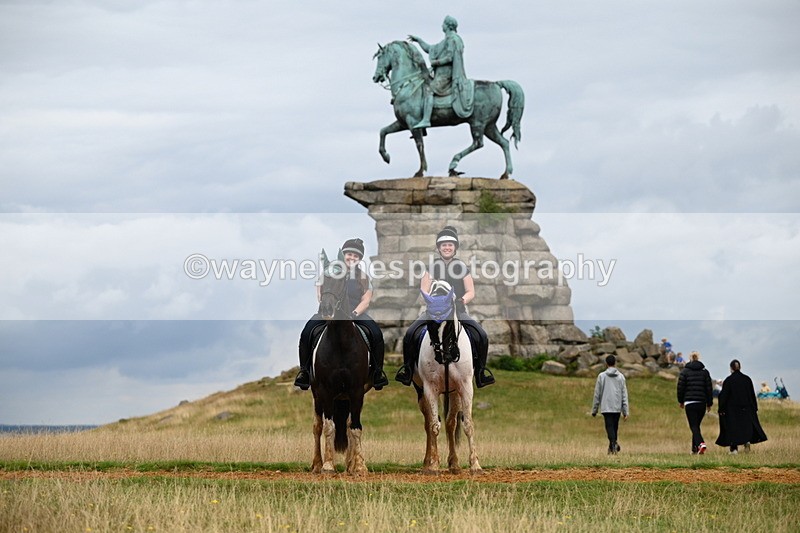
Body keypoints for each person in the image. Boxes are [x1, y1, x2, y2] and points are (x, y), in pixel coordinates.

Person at [395, 226, 495, 388]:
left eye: (450, 244)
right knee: (410, 333)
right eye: (443, 245)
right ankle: (407, 369)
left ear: (455, 248)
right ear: (439, 248)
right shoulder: (431, 267)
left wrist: (460, 301)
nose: (447, 247)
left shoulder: (461, 267)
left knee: (481, 335)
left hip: (457, 311)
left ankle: (481, 372)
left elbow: (471, 291)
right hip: (434, 311)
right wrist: (433, 302)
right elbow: (424, 291)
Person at [294, 238, 389, 391]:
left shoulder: (363, 277)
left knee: (376, 334)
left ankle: (377, 372)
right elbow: (320, 292)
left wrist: (354, 313)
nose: (352, 258)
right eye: (349, 254)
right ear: (343, 255)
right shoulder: (329, 272)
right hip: (328, 313)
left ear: (359, 259)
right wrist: (328, 309)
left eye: (356, 256)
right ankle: (304, 372)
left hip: (355, 314)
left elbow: (366, 300)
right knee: (306, 333)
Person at [408, 15, 475, 129]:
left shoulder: (453, 39)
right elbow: (430, 49)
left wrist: (436, 62)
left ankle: (426, 120)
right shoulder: (446, 40)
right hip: (441, 74)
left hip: (446, 75)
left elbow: (449, 57)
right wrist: (419, 40)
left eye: (443, 24)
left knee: (428, 90)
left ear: (448, 26)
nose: (441, 26)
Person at [715, 359, 767, 454]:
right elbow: (752, 395)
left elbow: (723, 396)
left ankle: (734, 449)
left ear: (731, 368)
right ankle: (746, 442)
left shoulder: (729, 380)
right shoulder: (747, 379)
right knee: (745, 427)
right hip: (746, 408)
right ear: (740, 367)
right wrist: (755, 408)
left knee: (733, 429)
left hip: (732, 410)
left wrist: (721, 408)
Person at [591, 355, 629, 454]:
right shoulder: (621, 377)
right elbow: (624, 394)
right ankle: (612, 448)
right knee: (615, 428)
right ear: (615, 363)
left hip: (606, 406)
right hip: (617, 406)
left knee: (609, 427)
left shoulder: (601, 376)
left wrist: (594, 410)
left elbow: (597, 394)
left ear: (606, 363)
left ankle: (613, 444)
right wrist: (625, 411)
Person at [677, 351, 713, 454]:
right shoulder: (705, 372)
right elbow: (708, 388)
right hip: (701, 402)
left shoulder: (684, 372)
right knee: (696, 426)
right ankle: (694, 449)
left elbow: (680, 388)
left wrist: (681, 401)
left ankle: (701, 444)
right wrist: (709, 403)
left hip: (689, 402)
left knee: (693, 426)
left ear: (690, 358)